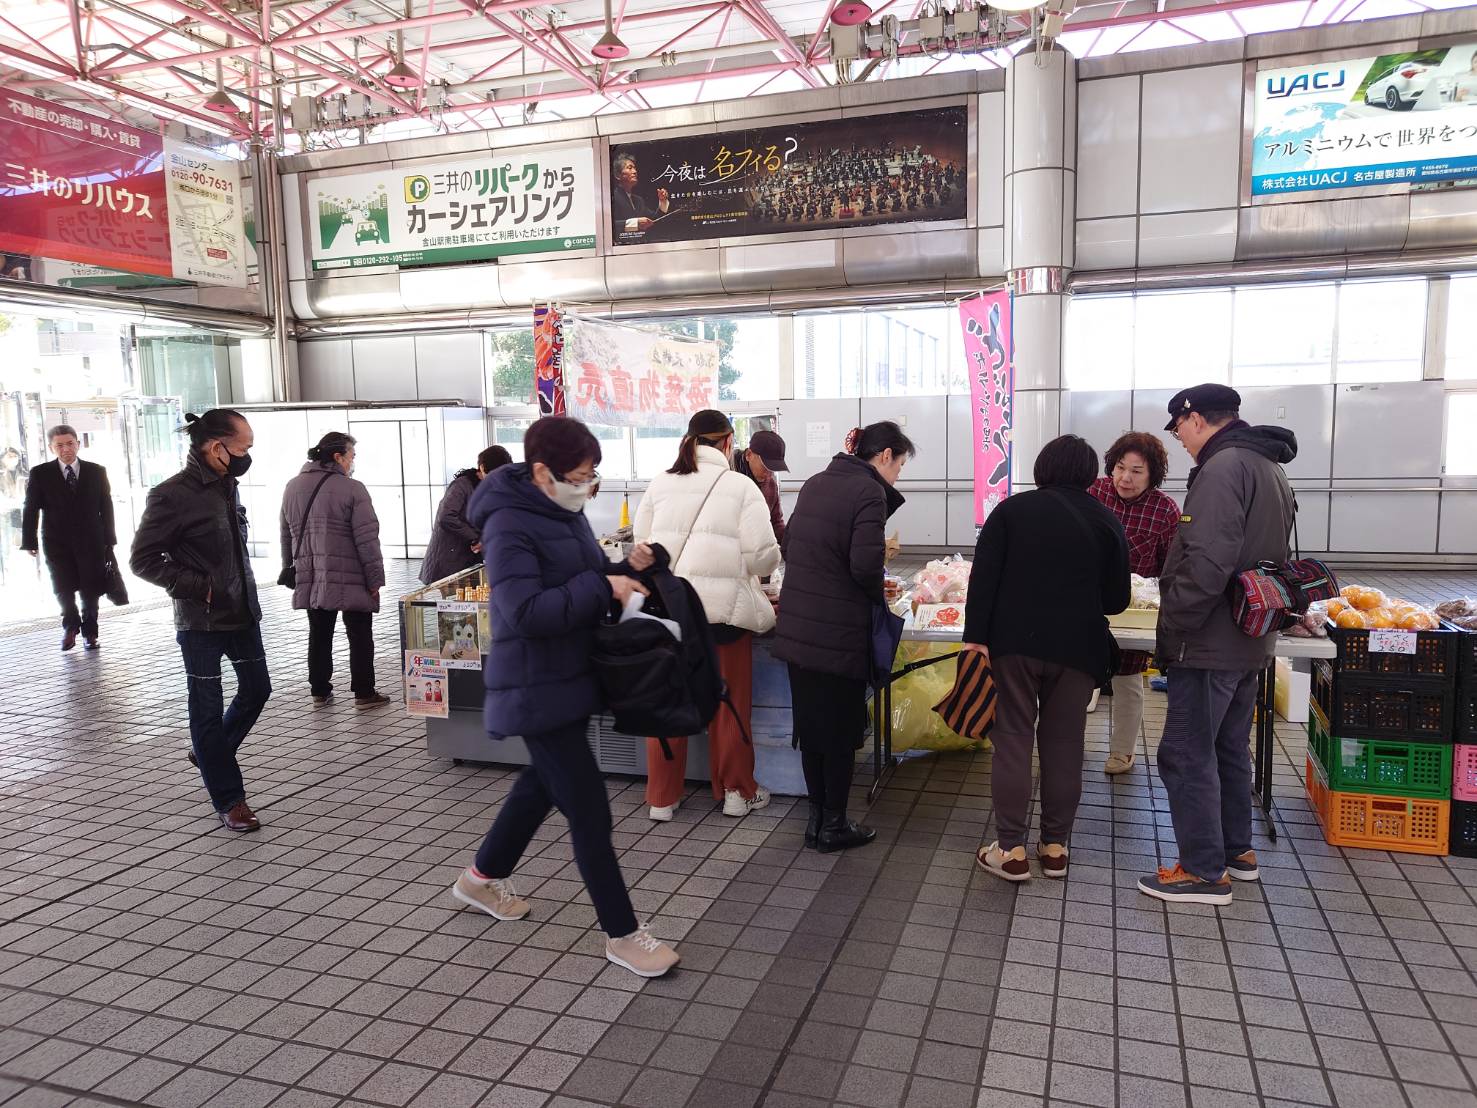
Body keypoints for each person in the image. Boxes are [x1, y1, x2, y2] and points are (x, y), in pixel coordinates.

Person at [451, 416, 679, 978]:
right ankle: (623, 934)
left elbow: (587, 577)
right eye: (580, 476)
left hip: (567, 677)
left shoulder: (563, 511)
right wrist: (602, 586)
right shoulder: (508, 525)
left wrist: (628, 569)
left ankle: (479, 879)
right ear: (541, 472)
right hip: (535, 685)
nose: (588, 486)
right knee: (588, 808)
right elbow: (525, 612)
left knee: (540, 785)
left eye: (592, 476)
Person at [1138, 384, 1297, 906]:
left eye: (1179, 428)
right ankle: (1236, 852)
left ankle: (1203, 872)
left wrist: (1176, 625)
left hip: (1210, 640)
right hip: (1250, 636)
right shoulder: (1267, 466)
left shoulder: (1223, 468)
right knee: (1229, 747)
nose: (1179, 439)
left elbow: (1207, 560)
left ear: (1196, 419)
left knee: (1185, 752)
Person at [965, 435, 1130, 883]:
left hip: (1013, 644)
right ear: (1090, 474)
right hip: (1078, 648)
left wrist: (975, 639)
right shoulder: (1105, 519)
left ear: (1042, 469)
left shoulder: (1011, 512)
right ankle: (1055, 847)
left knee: (1013, 739)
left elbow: (982, 581)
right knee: (1064, 744)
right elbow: (1116, 600)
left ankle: (1011, 850)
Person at [634, 410, 782, 821]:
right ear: (729, 442)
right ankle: (736, 792)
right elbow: (761, 555)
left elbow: (642, 547)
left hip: (668, 614)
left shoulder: (660, 483)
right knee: (729, 706)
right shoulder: (741, 486)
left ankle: (662, 799)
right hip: (723, 618)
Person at [773, 422, 914, 853]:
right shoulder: (868, 492)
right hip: (837, 632)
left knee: (812, 729)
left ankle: (816, 820)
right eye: (901, 466)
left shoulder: (816, 483)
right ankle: (833, 824)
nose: (898, 476)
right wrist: (880, 593)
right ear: (885, 455)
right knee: (840, 733)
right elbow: (864, 567)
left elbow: (789, 543)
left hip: (799, 628)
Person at [130, 410, 271, 833]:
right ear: (216, 448)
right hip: (201, 622)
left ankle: (210, 752)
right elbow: (142, 560)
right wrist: (199, 586)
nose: (247, 456)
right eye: (243, 448)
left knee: (257, 690)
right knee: (206, 711)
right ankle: (230, 800)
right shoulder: (171, 495)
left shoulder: (228, 486)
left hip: (243, 612)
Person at [1087, 432, 1181, 774]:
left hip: (1134, 611)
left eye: (1136, 471)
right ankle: (1068, 745)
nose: (1125, 478)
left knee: (1128, 680)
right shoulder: (1092, 492)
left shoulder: (1165, 510)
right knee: (1077, 676)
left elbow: (1172, 566)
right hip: (1086, 604)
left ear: (1152, 475)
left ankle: (1122, 752)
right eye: (1120, 468)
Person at [280, 431, 390, 710]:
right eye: (351, 456)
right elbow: (367, 538)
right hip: (352, 573)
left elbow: (286, 534)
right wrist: (375, 577)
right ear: (337, 457)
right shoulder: (353, 489)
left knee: (319, 632)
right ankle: (364, 693)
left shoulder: (292, 486)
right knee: (360, 633)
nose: (353, 462)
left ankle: (319, 690)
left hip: (312, 572)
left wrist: (289, 567)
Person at [21, 425, 116, 651]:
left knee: (90, 587)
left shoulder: (96, 471)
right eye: (59, 445)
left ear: (78, 444)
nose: (66, 449)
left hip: (91, 540)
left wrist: (109, 538)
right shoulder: (40, 473)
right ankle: (70, 626)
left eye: (70, 443)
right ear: (52, 448)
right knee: (62, 585)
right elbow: (30, 508)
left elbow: (107, 506)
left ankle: (90, 633)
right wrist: (29, 541)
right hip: (56, 541)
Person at [421, 445, 512, 585]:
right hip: (450, 561)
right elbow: (446, 517)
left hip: (472, 561)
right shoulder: (461, 485)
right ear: (481, 468)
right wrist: (475, 538)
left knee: (471, 602)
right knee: (455, 604)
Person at [734, 429, 789, 545]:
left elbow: (775, 522)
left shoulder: (771, 485)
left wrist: (790, 543)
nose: (769, 474)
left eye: (774, 469)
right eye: (766, 467)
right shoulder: (729, 476)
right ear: (749, 455)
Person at [611, 152, 669, 233]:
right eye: (629, 168)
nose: (635, 171)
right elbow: (607, 225)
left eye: (634, 168)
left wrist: (662, 201)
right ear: (617, 175)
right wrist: (635, 223)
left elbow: (655, 220)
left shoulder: (638, 200)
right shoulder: (612, 197)